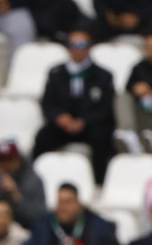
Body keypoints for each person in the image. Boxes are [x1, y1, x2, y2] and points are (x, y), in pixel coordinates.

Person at [33, 27, 116, 185]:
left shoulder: (103, 75)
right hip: (63, 125)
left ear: (90, 47)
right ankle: (37, 181)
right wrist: (60, 117)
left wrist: (84, 121)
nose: (78, 50)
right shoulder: (56, 73)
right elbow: (47, 103)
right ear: (67, 47)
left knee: (102, 138)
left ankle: (100, 183)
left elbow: (106, 109)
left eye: (82, 45)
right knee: (43, 137)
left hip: (90, 126)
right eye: (73, 45)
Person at [0, 140, 47, 233]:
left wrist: (15, 194)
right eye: (1, 160)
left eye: (9, 160)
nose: (4, 165)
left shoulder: (33, 181)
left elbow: (39, 219)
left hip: (23, 233)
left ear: (17, 160)